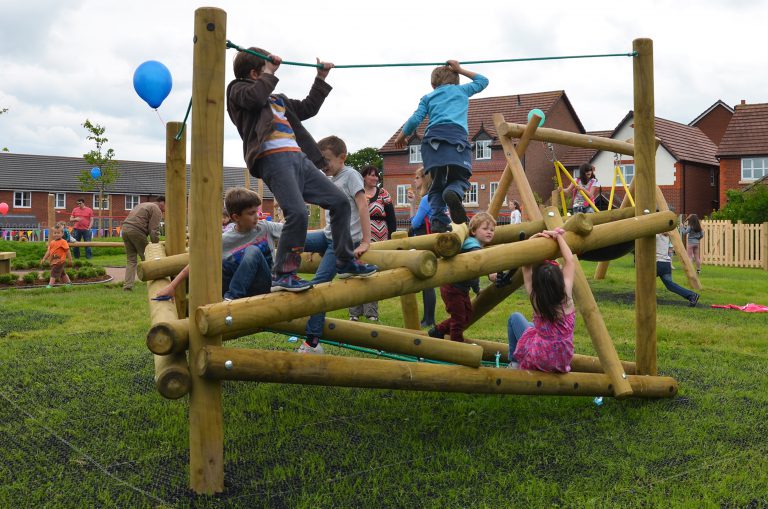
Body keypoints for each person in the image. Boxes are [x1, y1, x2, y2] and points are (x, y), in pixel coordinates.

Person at [226, 47, 375, 293]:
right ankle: (283, 274)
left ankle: (345, 260)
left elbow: (308, 108)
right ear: (254, 74)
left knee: (338, 202)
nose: (271, 76)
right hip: (273, 158)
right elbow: (254, 97)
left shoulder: (278, 100)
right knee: (297, 213)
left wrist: (321, 78)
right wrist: (270, 72)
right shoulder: (238, 91)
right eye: (265, 71)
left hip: (299, 159)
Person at [393, 60, 489, 232]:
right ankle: (453, 192)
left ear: (432, 84)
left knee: (436, 184)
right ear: (456, 80)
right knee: (459, 178)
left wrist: (402, 135)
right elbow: (483, 81)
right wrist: (460, 69)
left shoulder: (428, 97)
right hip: (456, 141)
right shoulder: (461, 90)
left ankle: (438, 221)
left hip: (432, 144)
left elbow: (415, 119)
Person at [303, 136, 377, 353]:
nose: (323, 166)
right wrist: (312, 246)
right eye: (320, 161)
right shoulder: (330, 179)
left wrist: (365, 240)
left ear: (342, 158)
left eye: (326, 160)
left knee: (319, 284)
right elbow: (329, 213)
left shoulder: (351, 175)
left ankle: (312, 341)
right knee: (291, 237)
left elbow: (363, 207)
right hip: (327, 237)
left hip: (343, 241)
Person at [157, 188, 281, 303]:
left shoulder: (265, 227)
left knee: (252, 250)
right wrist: (172, 286)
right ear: (236, 217)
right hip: (241, 285)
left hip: (265, 284)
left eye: (257, 211)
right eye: (251, 213)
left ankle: (231, 298)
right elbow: (197, 262)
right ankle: (201, 297)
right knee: (220, 263)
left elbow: (293, 229)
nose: (257, 216)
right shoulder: (225, 240)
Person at [506, 228, 576, 372]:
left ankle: (514, 363)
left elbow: (526, 266)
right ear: (560, 280)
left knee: (514, 318)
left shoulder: (537, 299)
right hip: (562, 360)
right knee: (531, 326)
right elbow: (569, 261)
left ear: (537, 283)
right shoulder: (567, 298)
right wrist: (558, 237)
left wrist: (533, 239)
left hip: (540, 359)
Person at [428, 212, 496, 342]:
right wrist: (490, 272)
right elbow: (478, 260)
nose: (489, 232)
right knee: (459, 319)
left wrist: (476, 290)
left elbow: (473, 274)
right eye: (485, 229)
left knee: (467, 316)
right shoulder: (472, 245)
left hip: (461, 289)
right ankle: (457, 346)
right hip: (452, 288)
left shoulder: (477, 246)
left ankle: (438, 331)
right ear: (474, 231)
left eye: (492, 230)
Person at [349, 165, 397, 322]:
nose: (375, 178)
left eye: (377, 176)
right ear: (363, 177)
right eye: (371, 175)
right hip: (359, 237)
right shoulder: (357, 193)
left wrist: (391, 240)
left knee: (373, 275)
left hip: (380, 240)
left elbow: (391, 219)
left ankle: (371, 313)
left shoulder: (384, 194)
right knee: (356, 273)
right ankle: (354, 312)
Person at [408, 166, 439, 328]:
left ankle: (429, 318)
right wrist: (413, 203)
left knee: (428, 283)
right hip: (433, 242)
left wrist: (413, 206)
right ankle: (428, 318)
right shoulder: (433, 198)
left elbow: (414, 223)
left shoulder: (427, 199)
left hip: (425, 242)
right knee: (429, 282)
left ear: (425, 179)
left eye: (417, 178)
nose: (415, 180)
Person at [121, 196, 165, 291]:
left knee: (131, 260)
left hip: (124, 229)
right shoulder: (156, 209)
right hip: (137, 231)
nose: (166, 209)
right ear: (162, 203)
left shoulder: (143, 204)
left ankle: (128, 286)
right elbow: (153, 230)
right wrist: (155, 245)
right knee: (148, 258)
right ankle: (156, 285)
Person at [656, 232, 699, 306]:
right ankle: (692, 295)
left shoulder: (657, 236)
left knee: (644, 281)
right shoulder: (667, 236)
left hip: (657, 263)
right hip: (666, 264)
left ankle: (645, 300)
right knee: (670, 285)